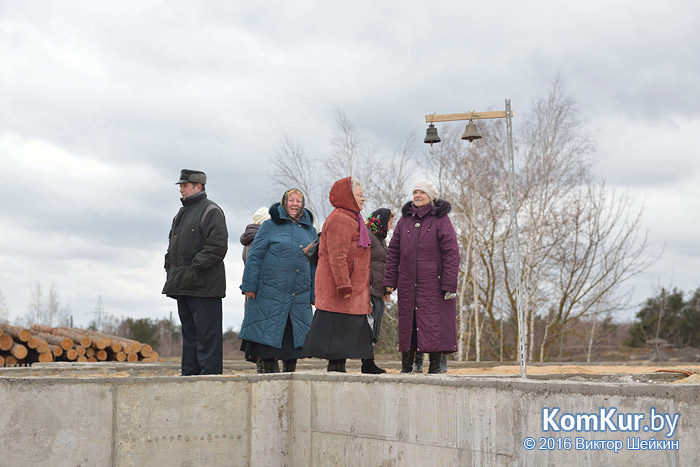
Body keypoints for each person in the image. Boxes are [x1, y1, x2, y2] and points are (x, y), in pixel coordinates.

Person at [383, 180, 460, 374]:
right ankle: (406, 368)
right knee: (409, 324)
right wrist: (390, 281)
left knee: (435, 324)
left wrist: (449, 284)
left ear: (431, 197)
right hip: (408, 283)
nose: (417, 195)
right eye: (415, 192)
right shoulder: (404, 220)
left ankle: (435, 368)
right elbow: (393, 252)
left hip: (434, 283)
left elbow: (451, 252)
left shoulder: (441, 220)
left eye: (422, 192)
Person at [239, 189, 317, 373]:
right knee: (268, 336)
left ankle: (290, 379)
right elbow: (255, 257)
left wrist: (314, 293)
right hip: (269, 292)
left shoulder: (311, 231)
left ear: (303, 204)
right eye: (291, 200)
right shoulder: (269, 226)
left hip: (298, 295)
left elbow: (314, 264)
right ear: (284, 202)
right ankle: (269, 376)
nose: (295, 204)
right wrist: (249, 285)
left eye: (299, 201)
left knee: (293, 340)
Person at [303, 177, 374, 372]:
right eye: (359, 195)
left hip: (353, 287)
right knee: (336, 333)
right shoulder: (340, 219)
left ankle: (339, 367)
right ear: (348, 196)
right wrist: (344, 284)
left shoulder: (353, 218)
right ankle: (335, 369)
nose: (363, 198)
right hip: (340, 288)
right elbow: (337, 256)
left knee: (344, 332)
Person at [163, 169, 228, 375]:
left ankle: (210, 380)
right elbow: (173, 247)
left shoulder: (211, 211)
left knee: (207, 337)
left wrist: (193, 269)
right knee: (190, 336)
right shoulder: (180, 214)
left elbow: (217, 247)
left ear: (198, 186)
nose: (181, 189)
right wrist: (170, 267)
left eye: (185, 185)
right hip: (184, 285)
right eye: (181, 186)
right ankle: (189, 377)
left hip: (204, 286)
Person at [239, 206, 275, 373]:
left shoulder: (249, 238)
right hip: (262, 289)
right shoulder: (259, 238)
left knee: (258, 327)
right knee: (264, 329)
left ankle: (261, 364)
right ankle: (263, 365)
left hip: (252, 290)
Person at [363, 208, 395, 374]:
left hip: (376, 290)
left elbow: (382, 265)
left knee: (373, 327)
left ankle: (368, 363)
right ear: (381, 221)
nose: (390, 227)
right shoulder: (368, 235)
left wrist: (386, 289)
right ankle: (367, 364)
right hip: (367, 290)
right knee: (367, 327)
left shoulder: (380, 238)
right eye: (389, 223)